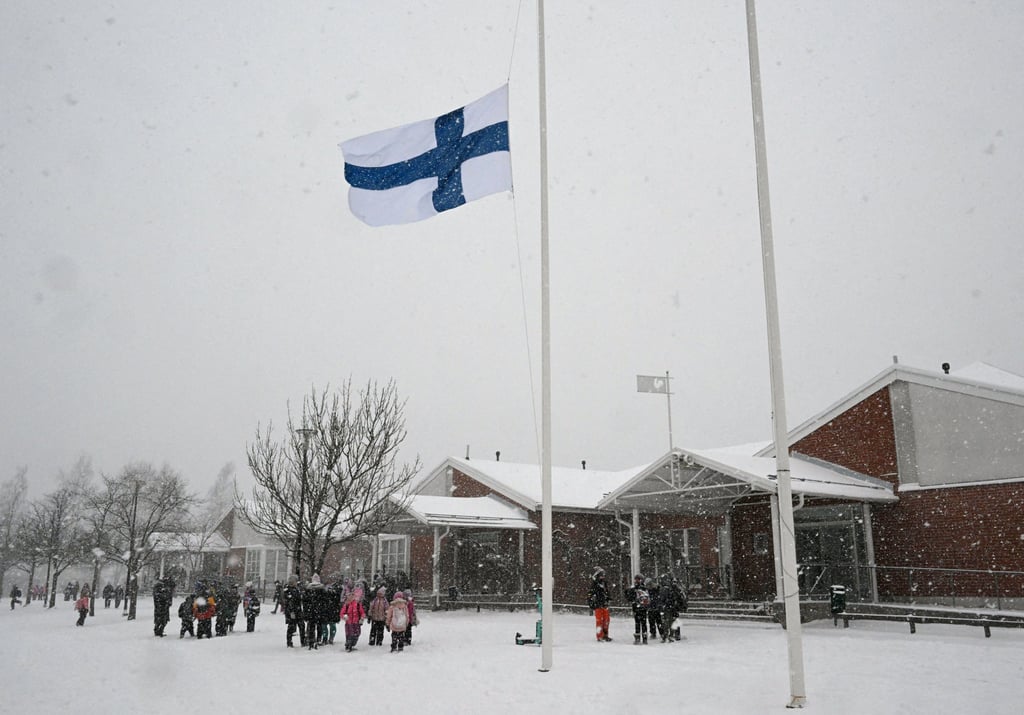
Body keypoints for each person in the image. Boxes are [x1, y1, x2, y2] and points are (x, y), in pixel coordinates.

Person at [587, 568, 612, 642]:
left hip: (605, 605)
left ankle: (605, 635)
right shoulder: (595, 584)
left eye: (603, 575)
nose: (603, 577)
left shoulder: (604, 583)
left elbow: (607, 592)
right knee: (599, 621)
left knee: (606, 621)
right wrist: (592, 604)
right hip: (598, 605)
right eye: (601, 575)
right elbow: (590, 595)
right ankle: (600, 636)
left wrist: (608, 598)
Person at [625, 574, 651, 644]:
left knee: (637, 624)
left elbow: (629, 598)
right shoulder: (645, 588)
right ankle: (645, 639)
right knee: (644, 623)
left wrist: (628, 591)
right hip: (643, 608)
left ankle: (637, 639)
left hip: (636, 608)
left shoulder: (634, 589)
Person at [281, 575, 305, 648]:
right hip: (292, 611)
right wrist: (291, 612)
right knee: (292, 627)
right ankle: (290, 642)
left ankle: (302, 641)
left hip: (297, 610)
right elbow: (289, 601)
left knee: (301, 626)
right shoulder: (288, 590)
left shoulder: (295, 589)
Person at [322, 579, 342, 645]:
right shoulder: (324, 592)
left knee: (330, 625)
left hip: (331, 611)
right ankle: (327, 638)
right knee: (326, 625)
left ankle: (330, 638)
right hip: (328, 611)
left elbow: (338, 602)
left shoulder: (335, 592)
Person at [645, 577, 663, 642]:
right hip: (652, 607)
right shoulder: (653, 589)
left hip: (654, 607)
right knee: (654, 621)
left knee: (657, 621)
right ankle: (656, 632)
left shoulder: (655, 589)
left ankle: (659, 633)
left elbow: (657, 598)